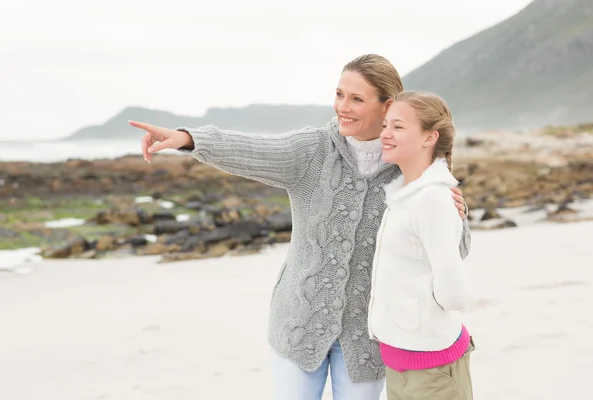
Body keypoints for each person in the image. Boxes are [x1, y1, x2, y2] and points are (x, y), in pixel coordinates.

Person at [128, 54, 471, 400]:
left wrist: (454, 214)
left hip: (367, 340)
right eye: (339, 94)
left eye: (356, 99)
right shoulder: (312, 151)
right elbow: (252, 149)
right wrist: (189, 139)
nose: (343, 107)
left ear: (387, 107)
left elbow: (453, 250)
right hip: (297, 324)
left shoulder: (405, 168)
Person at [368, 91, 475, 400]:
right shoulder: (404, 194)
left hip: (433, 369)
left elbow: (455, 293)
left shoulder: (432, 198)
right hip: (400, 365)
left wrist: (416, 313)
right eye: (386, 125)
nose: (386, 134)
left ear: (430, 137)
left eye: (398, 127)